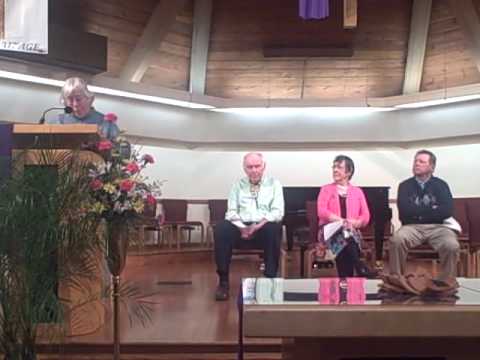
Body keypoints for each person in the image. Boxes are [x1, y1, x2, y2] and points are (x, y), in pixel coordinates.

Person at [214, 153, 284, 301]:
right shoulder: (237, 185)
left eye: (257, 166)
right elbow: (231, 212)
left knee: (274, 228)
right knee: (221, 228)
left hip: (263, 226)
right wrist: (242, 228)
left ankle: (269, 280)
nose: (254, 170)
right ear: (244, 168)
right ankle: (223, 281)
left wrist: (258, 226)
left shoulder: (274, 184)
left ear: (264, 166)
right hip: (240, 227)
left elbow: (277, 212)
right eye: (250, 167)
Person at [389, 149, 459, 280]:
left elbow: (447, 211)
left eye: (421, 161)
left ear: (431, 167)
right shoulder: (404, 186)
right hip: (411, 227)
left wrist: (418, 212)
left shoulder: (441, 185)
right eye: (415, 161)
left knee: (451, 245)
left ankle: (446, 282)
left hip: (438, 228)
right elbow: (404, 213)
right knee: (396, 240)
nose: (416, 164)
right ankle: (396, 281)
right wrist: (432, 209)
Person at [316, 155, 374, 278]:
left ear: (349, 172)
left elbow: (366, 216)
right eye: (334, 167)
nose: (335, 170)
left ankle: (345, 278)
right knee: (344, 233)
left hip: (351, 232)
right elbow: (321, 211)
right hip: (329, 231)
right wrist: (341, 221)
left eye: (339, 167)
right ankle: (359, 266)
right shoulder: (326, 189)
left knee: (346, 237)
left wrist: (355, 223)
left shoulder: (358, 191)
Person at [47, 77, 119, 140]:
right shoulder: (57, 121)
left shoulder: (106, 123)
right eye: (70, 99)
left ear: (89, 99)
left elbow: (118, 150)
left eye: (78, 99)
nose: (75, 104)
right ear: (65, 102)